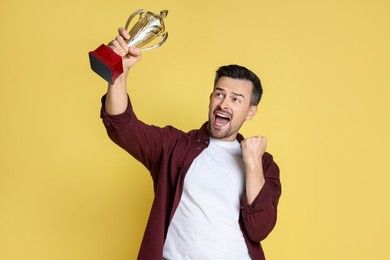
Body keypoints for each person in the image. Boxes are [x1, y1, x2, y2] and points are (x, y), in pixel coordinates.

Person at [100, 28, 282, 260]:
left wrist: (253, 162)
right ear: (210, 98)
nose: (224, 104)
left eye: (236, 99)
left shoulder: (264, 164)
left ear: (250, 112)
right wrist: (119, 73)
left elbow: (260, 228)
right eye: (219, 94)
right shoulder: (174, 146)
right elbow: (122, 127)